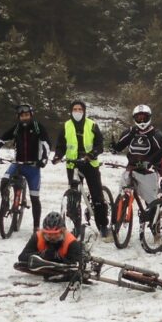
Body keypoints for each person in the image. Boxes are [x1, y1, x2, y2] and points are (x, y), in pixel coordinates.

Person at [0, 102, 52, 231]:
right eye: (22, 116)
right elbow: (1, 140)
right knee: (4, 180)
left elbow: (47, 144)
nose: (24, 118)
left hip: (33, 167)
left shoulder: (38, 127)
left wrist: (43, 159)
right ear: (18, 117)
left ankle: (36, 227)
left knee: (35, 198)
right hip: (17, 164)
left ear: (31, 115)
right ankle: (5, 204)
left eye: (27, 115)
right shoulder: (16, 128)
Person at [54, 99, 109, 233]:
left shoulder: (92, 125)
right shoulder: (66, 126)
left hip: (90, 163)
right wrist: (58, 156)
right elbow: (61, 145)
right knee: (74, 196)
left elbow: (99, 145)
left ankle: (103, 225)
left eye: (80, 110)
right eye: (75, 109)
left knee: (97, 195)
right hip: (72, 164)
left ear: (84, 111)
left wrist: (91, 155)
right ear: (71, 111)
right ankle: (75, 227)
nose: (77, 112)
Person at [113, 104, 162, 217]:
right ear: (134, 119)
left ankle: (156, 214)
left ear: (149, 117)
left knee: (151, 202)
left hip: (149, 171)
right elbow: (119, 147)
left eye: (144, 117)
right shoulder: (130, 132)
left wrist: (151, 163)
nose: (142, 120)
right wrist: (113, 147)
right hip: (131, 168)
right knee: (122, 193)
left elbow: (161, 154)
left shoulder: (156, 134)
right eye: (139, 118)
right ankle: (118, 216)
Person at [13, 210, 87, 277]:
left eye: (55, 234)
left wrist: (57, 258)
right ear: (43, 232)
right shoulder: (37, 237)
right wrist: (42, 255)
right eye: (48, 234)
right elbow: (22, 257)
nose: (52, 237)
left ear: (63, 231)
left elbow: (76, 265)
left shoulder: (71, 242)